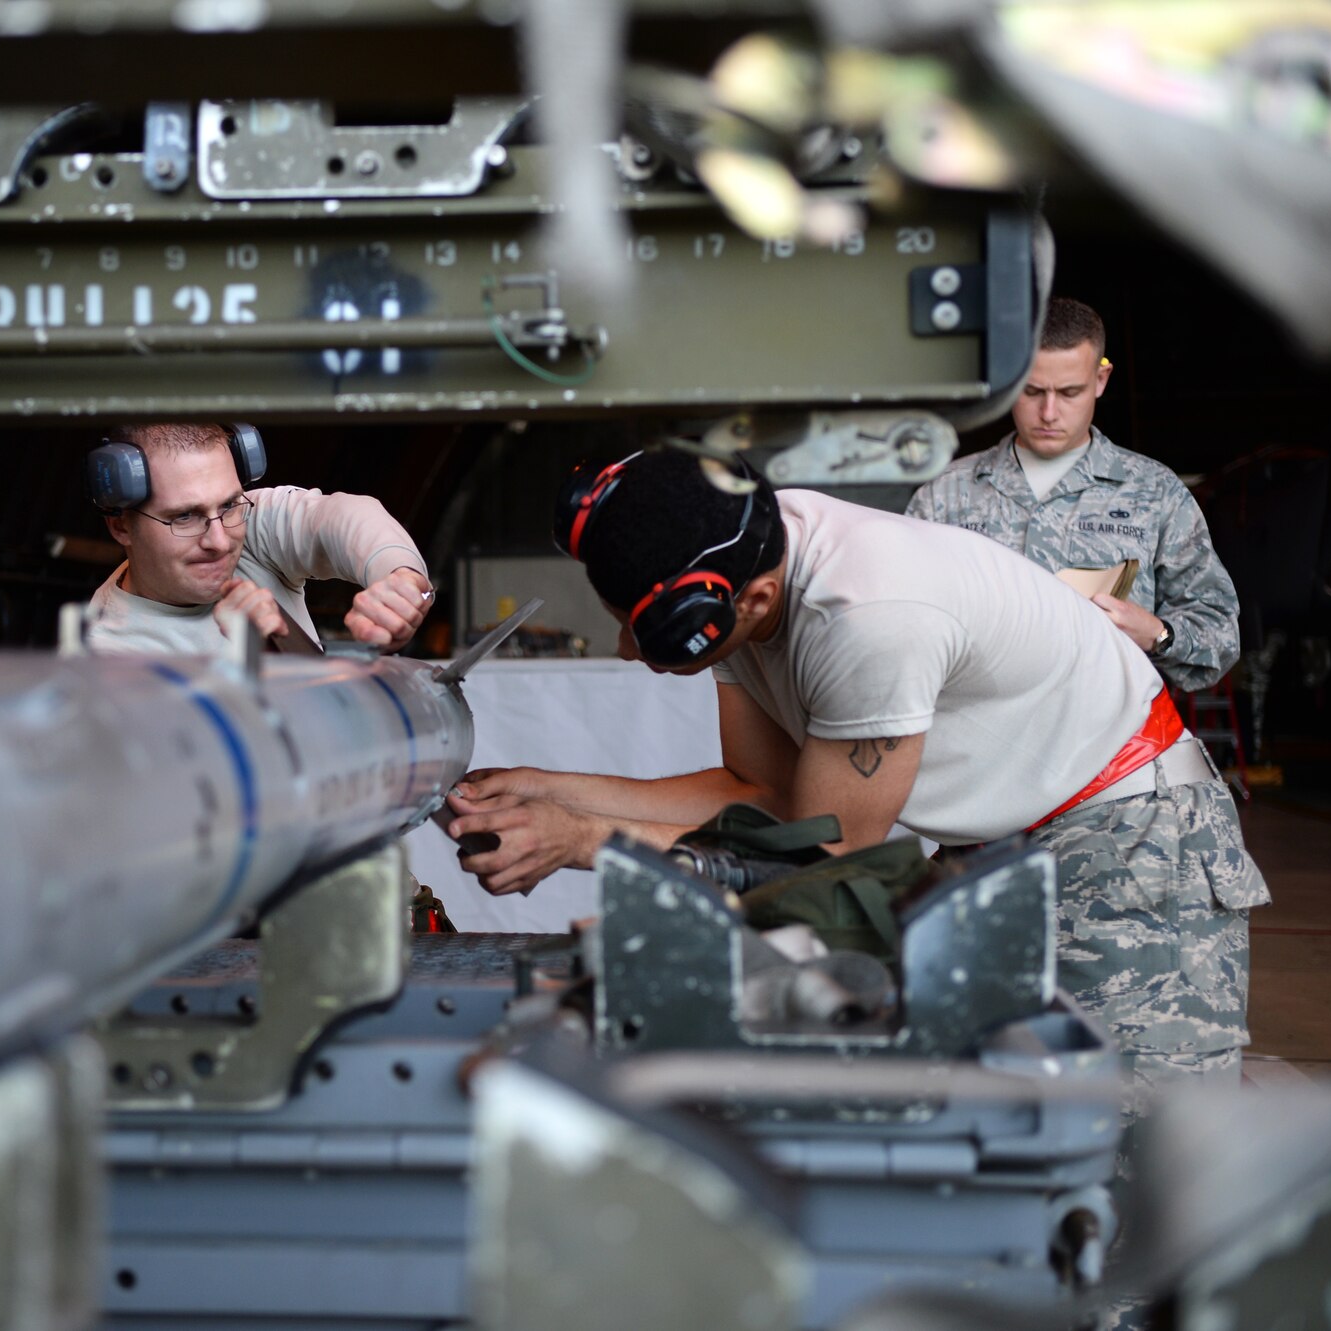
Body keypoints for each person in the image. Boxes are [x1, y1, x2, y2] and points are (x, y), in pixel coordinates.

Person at [446, 447, 1269, 1092]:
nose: (629, 649)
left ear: (750, 601)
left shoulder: (867, 615)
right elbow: (764, 796)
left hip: (1124, 851)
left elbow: (825, 855)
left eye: (646, 632)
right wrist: (546, 790)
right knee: (991, 1136)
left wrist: (581, 840)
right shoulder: (753, 554)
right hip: (1004, 850)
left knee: (1120, 1161)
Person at [906, 298, 1241, 691]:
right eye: (1031, 391)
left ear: (1101, 380)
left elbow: (1221, 635)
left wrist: (1156, 633)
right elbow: (897, 620)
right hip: (977, 737)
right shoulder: (945, 493)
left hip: (1108, 743)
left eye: (1069, 392)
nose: (1048, 413)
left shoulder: (1154, 493)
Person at [83, 423, 434, 655]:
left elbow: (342, 516)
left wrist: (402, 580)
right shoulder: (107, 651)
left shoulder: (248, 525)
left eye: (229, 505)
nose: (219, 541)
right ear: (121, 527)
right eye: (184, 517)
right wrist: (269, 650)